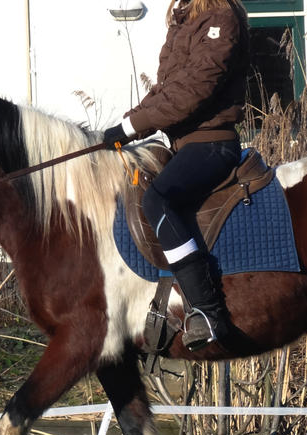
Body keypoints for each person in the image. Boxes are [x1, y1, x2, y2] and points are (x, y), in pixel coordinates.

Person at [103, 0, 250, 350]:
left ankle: (208, 311)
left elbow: (195, 88)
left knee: (159, 199)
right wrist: (125, 126)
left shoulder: (221, 16)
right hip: (181, 145)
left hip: (212, 143)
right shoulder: (185, 18)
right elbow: (166, 89)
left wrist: (132, 126)